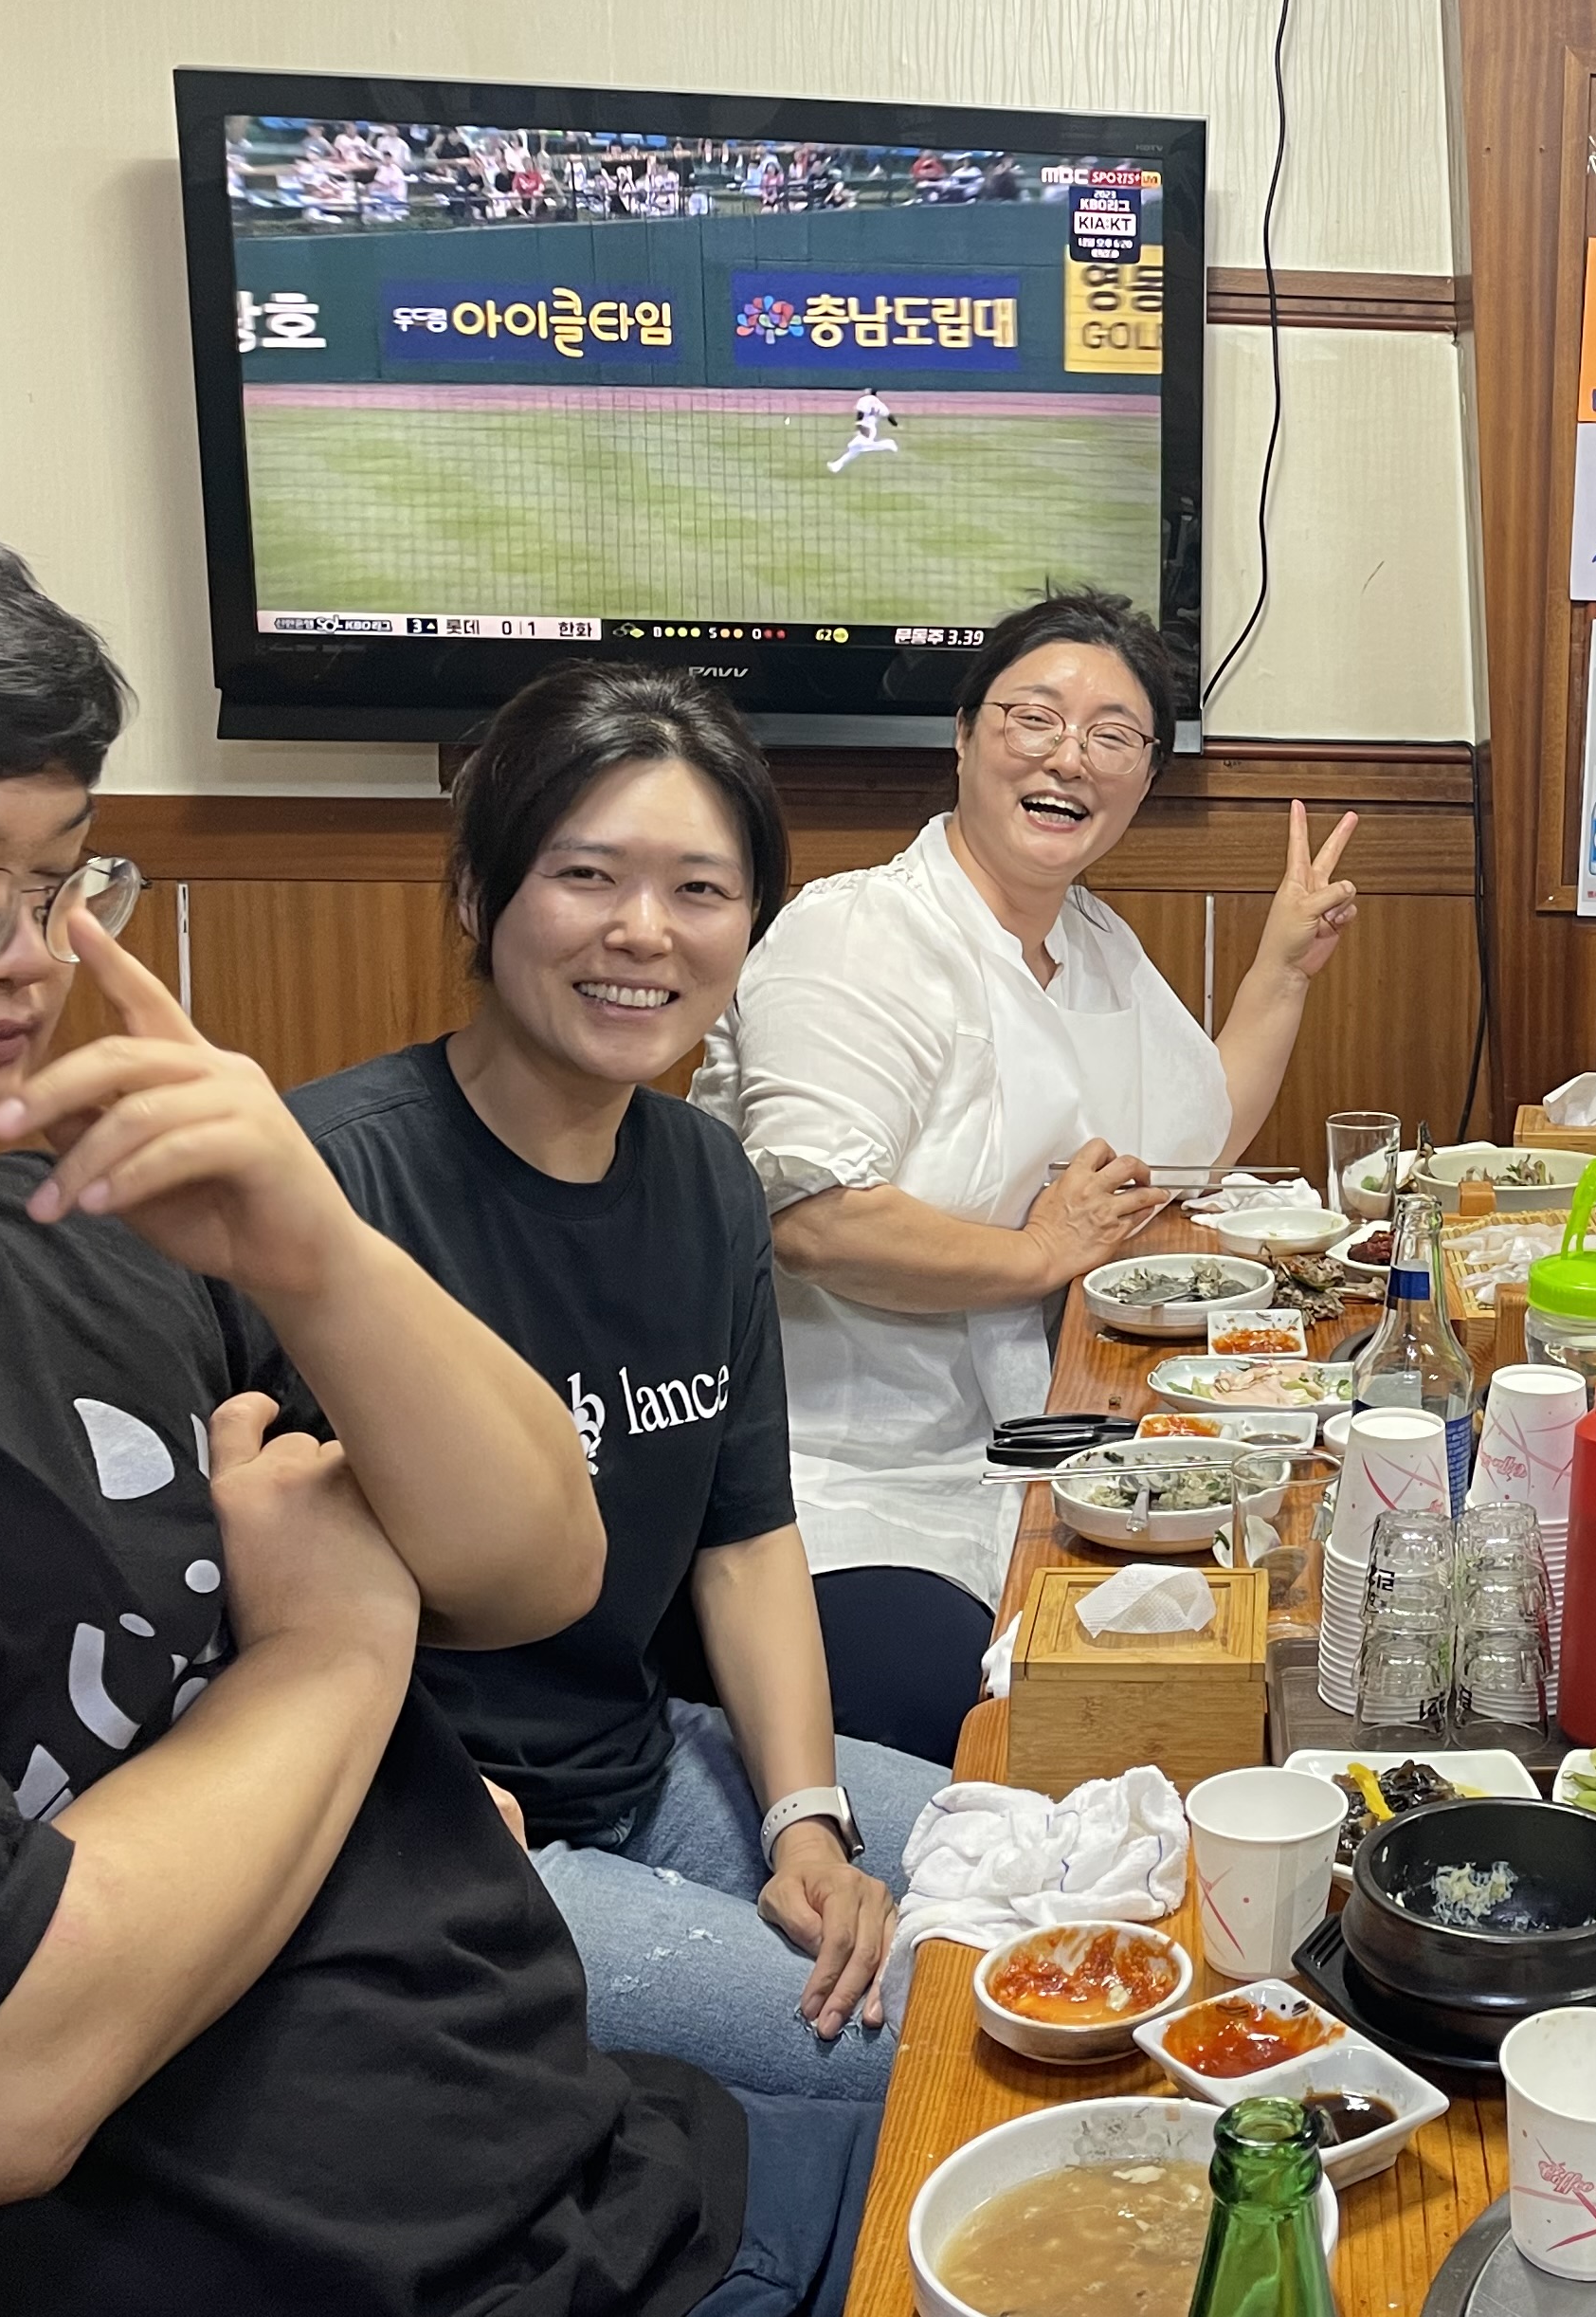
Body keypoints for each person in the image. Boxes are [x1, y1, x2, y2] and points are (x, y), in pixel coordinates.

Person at [0, 468, 866, 2316]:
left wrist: (314, 1248)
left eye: (59, 878)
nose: (30, 955)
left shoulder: (90, 1230)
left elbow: (534, 1562)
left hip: (578, 2158)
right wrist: (333, 1647)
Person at [286, 664, 942, 2118]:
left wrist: (806, 1822)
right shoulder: (326, 1189)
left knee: (1061, 1896)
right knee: (937, 2045)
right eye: (587, 875)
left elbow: (745, 1538)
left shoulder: (706, 1176)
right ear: (480, 895)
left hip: (644, 1761)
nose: (644, 931)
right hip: (431, 1837)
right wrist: (389, 1798)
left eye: (700, 891)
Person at [695, 590, 1361, 1762]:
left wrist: (1282, 970)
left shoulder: (1095, 943)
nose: (1070, 757)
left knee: (1258, 1646)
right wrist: (1042, 1252)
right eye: (1035, 718)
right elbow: (814, 1221)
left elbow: (1193, 1136)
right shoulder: (856, 934)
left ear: (1144, 778)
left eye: (1113, 735)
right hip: (839, 1484)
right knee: (1002, 1723)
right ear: (964, 736)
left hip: (1043, 1452)